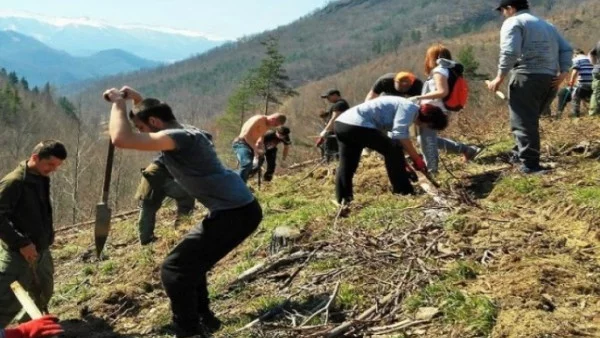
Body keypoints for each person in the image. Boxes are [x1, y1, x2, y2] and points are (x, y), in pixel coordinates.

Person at [103, 87, 263, 338]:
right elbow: (150, 117)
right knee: (190, 266)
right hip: (237, 208)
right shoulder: (187, 130)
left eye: (144, 129)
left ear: (155, 122)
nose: (143, 135)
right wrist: (136, 100)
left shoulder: (178, 137)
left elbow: (121, 139)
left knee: (174, 270)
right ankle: (204, 319)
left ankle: (188, 330)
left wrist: (117, 104)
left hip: (235, 213)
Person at [487, 0, 572, 173]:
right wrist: (563, 72)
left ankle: (530, 165)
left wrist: (499, 77)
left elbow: (510, 51)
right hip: (549, 79)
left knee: (524, 122)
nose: (503, 14)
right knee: (530, 120)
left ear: (510, 8)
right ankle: (518, 153)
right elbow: (566, 49)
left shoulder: (513, 22)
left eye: (503, 10)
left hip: (526, 77)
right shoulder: (547, 25)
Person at [333, 96, 449, 204]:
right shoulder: (409, 108)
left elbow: (393, 137)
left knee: (347, 165)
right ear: (429, 120)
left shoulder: (405, 108)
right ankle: (404, 191)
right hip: (357, 124)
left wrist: (403, 163)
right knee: (393, 150)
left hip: (342, 124)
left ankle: (344, 200)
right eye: (429, 126)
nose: (425, 128)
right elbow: (400, 136)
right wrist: (417, 159)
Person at [0, 141, 67, 327]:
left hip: (41, 251)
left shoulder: (40, 176)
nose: (53, 169)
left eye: (57, 166)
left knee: (43, 293)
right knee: (6, 302)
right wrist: (21, 243)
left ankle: (27, 330)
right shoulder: (14, 182)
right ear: (35, 158)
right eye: (50, 164)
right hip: (18, 254)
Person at [409, 44, 482, 173]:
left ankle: (432, 170)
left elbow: (442, 92)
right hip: (441, 109)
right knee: (424, 139)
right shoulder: (450, 68)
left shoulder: (439, 71)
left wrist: (418, 97)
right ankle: (467, 150)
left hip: (434, 110)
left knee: (427, 140)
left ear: (432, 58)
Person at [135, 156, 195, 245]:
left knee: (148, 206)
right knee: (186, 196)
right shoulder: (184, 150)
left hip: (151, 173)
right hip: (158, 174)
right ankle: (182, 228)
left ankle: (146, 239)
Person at [233, 113, 287, 182]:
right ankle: (237, 182)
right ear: (273, 119)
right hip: (241, 143)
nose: (274, 126)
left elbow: (260, 139)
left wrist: (261, 149)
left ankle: (239, 181)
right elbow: (246, 135)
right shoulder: (259, 119)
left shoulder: (267, 126)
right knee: (247, 163)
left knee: (255, 166)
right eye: (275, 124)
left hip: (250, 146)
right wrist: (256, 149)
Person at [316, 89, 350, 162]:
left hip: (334, 134)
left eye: (328, 97)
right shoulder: (341, 104)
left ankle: (332, 169)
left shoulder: (339, 104)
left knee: (331, 154)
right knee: (333, 154)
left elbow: (334, 118)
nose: (327, 99)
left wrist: (325, 131)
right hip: (337, 133)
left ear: (335, 95)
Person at [567, 49, 594, 117]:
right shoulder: (590, 58)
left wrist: (571, 82)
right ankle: (593, 112)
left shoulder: (576, 59)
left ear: (575, 54)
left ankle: (575, 115)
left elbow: (575, 71)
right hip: (593, 83)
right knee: (591, 99)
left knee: (575, 97)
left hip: (582, 84)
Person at [589, 41, 600, 116]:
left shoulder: (598, 42)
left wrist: (594, 64)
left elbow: (591, 53)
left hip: (597, 69)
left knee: (596, 92)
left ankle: (593, 113)